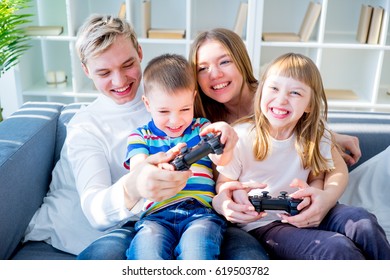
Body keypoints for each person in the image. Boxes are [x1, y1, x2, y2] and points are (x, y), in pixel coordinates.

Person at [22, 15, 266, 260]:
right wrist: (135, 186)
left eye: (127, 64)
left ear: (139, 52)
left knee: (244, 257)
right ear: (86, 70)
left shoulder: (174, 90)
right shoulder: (86, 127)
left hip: (201, 212)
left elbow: (231, 110)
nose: (120, 81)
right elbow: (96, 212)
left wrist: (228, 144)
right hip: (142, 221)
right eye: (104, 72)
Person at [215, 52, 390, 259]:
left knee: (363, 222)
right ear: (261, 93)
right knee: (336, 249)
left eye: (295, 93)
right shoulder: (242, 135)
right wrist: (233, 196)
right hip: (265, 223)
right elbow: (224, 182)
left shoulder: (316, 134)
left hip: (310, 211)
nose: (281, 99)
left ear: (309, 105)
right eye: (274, 88)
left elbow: (318, 176)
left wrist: (316, 196)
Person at [189, 28, 361, 234]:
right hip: (249, 218)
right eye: (202, 68)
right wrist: (221, 202)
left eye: (224, 62)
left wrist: (325, 198)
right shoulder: (201, 120)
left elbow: (328, 158)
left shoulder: (275, 95)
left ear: (242, 61)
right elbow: (220, 182)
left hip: (294, 210)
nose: (215, 74)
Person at [124, 53, 237, 259]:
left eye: (185, 109)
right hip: (155, 216)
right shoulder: (140, 137)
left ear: (194, 98)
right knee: (147, 255)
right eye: (164, 111)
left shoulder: (203, 127)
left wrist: (224, 139)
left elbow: (222, 163)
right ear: (147, 104)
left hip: (200, 213)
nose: (175, 120)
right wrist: (162, 167)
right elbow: (138, 174)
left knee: (198, 254)